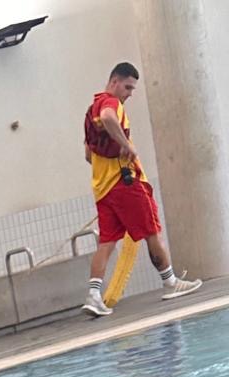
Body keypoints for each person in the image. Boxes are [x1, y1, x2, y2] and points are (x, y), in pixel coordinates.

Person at [83, 62, 201, 318]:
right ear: (114, 81)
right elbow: (108, 118)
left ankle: (93, 296)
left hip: (103, 189)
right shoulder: (110, 104)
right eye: (127, 87)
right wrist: (127, 146)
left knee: (106, 243)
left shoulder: (89, 112)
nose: (129, 94)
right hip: (125, 184)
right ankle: (170, 282)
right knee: (152, 232)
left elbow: (88, 155)